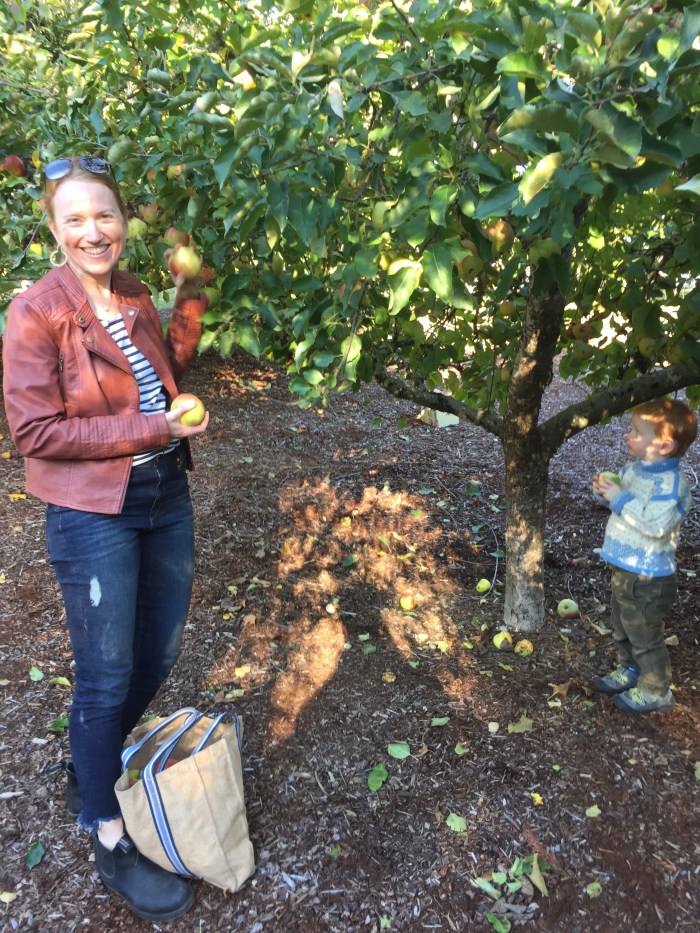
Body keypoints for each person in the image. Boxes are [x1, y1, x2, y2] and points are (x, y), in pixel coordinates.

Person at [2, 155, 210, 920]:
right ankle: (108, 829)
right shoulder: (36, 312)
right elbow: (35, 431)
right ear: (54, 230)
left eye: (106, 216)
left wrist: (195, 290)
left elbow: (166, 368)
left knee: (160, 651)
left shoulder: (135, 294)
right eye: (76, 220)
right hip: (94, 511)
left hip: (165, 493)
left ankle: (87, 765)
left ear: (123, 222)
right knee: (106, 674)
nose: (94, 231)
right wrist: (156, 427)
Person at [592, 398, 697, 714]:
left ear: (664, 445)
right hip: (625, 569)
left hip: (649, 577)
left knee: (645, 634)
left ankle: (656, 690)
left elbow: (655, 524)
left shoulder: (673, 486)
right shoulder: (632, 470)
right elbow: (622, 508)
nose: (629, 435)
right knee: (624, 626)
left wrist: (619, 497)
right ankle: (630, 668)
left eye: (637, 432)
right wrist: (605, 493)